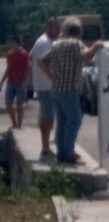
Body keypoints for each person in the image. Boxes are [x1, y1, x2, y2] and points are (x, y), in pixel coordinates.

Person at [40, 16, 103, 165]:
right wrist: (96, 46)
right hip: (70, 89)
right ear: (79, 32)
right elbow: (85, 56)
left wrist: (51, 75)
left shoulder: (57, 44)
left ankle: (61, 152)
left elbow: (42, 61)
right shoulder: (75, 43)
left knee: (62, 122)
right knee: (74, 120)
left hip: (56, 88)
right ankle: (68, 153)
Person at [30, 18, 60, 158]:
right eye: (56, 28)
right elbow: (41, 63)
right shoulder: (45, 43)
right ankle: (45, 148)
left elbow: (31, 57)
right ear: (49, 27)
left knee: (47, 117)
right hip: (46, 86)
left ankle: (46, 147)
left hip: (43, 85)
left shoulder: (42, 41)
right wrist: (53, 77)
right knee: (48, 119)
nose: (58, 31)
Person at [0, 34, 31, 128]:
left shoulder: (24, 54)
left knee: (19, 105)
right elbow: (8, 68)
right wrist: (2, 82)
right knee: (8, 104)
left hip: (21, 82)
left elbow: (28, 68)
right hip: (11, 81)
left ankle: (19, 125)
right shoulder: (9, 54)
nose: (9, 44)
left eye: (11, 42)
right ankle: (14, 123)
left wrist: (26, 80)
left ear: (16, 42)